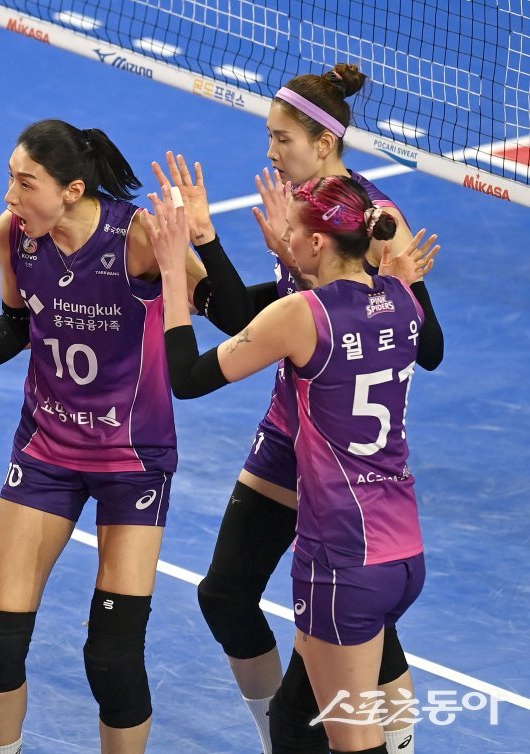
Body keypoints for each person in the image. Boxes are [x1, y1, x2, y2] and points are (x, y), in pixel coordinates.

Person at [157, 64, 443, 754]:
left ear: (324, 143)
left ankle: (374, 740)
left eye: (281, 138)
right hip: (292, 432)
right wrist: (207, 241)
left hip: (339, 447)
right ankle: (286, 738)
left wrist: (387, 286)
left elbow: (427, 346)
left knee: (357, 614)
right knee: (226, 596)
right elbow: (251, 322)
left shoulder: (370, 222)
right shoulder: (304, 216)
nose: (270, 151)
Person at [0, 119, 249, 754]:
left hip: (131, 459)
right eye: (10, 179)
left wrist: (201, 241)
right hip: (46, 450)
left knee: (112, 657)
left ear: (72, 190)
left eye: (25, 183)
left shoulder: (137, 237)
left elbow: (234, 316)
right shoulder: (14, 234)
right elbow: (16, 318)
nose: (9, 195)